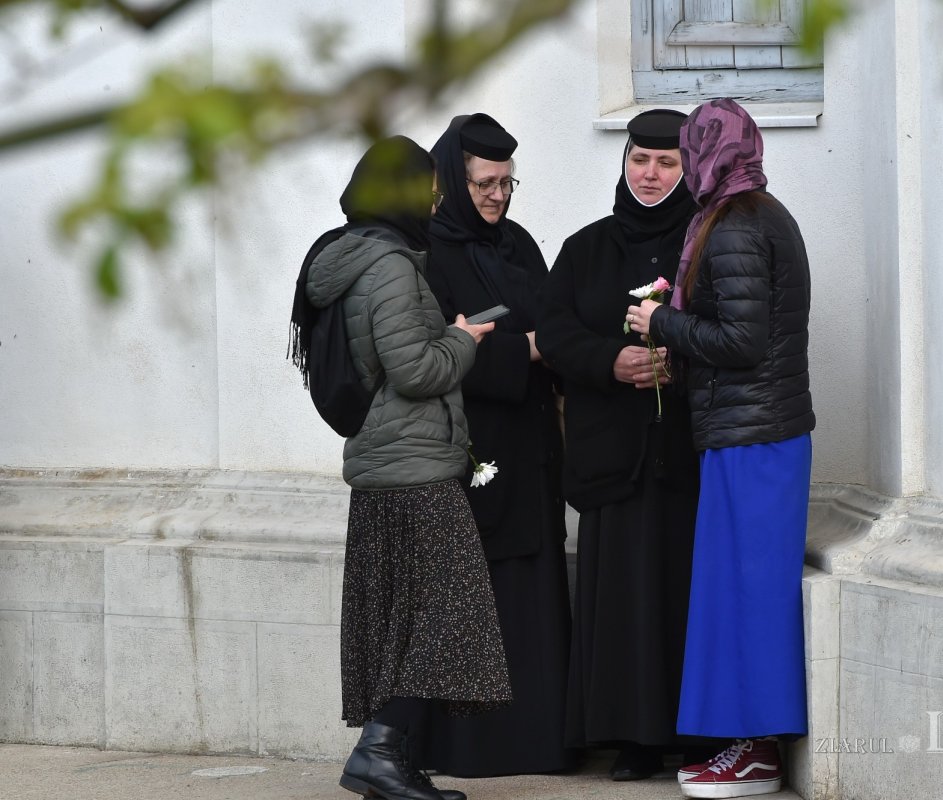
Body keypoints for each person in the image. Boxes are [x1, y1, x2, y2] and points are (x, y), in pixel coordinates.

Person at [291, 135, 511, 800]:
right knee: (450, 610)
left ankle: (395, 758)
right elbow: (414, 370)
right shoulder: (388, 265)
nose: (438, 199)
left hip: (387, 464)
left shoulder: (347, 256)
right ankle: (380, 750)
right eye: (431, 189)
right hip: (414, 468)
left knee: (404, 617)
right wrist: (463, 339)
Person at [627, 97, 816, 799]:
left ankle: (757, 754)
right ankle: (747, 745)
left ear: (707, 154)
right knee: (737, 592)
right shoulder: (753, 213)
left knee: (751, 596)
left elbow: (740, 342)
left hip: (755, 437)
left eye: (687, 150)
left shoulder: (737, 226)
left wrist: (662, 322)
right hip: (751, 431)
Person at [536, 109, 709, 781]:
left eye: (667, 163)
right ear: (624, 160)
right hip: (613, 457)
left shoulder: (707, 242)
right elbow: (554, 332)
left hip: (688, 454)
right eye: (641, 159)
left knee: (684, 595)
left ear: (688, 170)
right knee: (623, 602)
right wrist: (614, 361)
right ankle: (632, 737)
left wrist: (677, 359)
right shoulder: (586, 249)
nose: (650, 174)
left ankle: (694, 734)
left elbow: (731, 328)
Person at [415, 113, 576, 777]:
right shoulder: (426, 254)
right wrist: (529, 350)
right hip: (468, 450)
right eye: (486, 184)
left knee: (530, 592)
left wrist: (553, 347)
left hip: (530, 446)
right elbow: (432, 352)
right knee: (471, 594)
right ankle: (469, 749)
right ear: (455, 179)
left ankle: (539, 741)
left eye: (507, 184)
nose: (498, 197)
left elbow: (552, 321)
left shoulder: (518, 246)